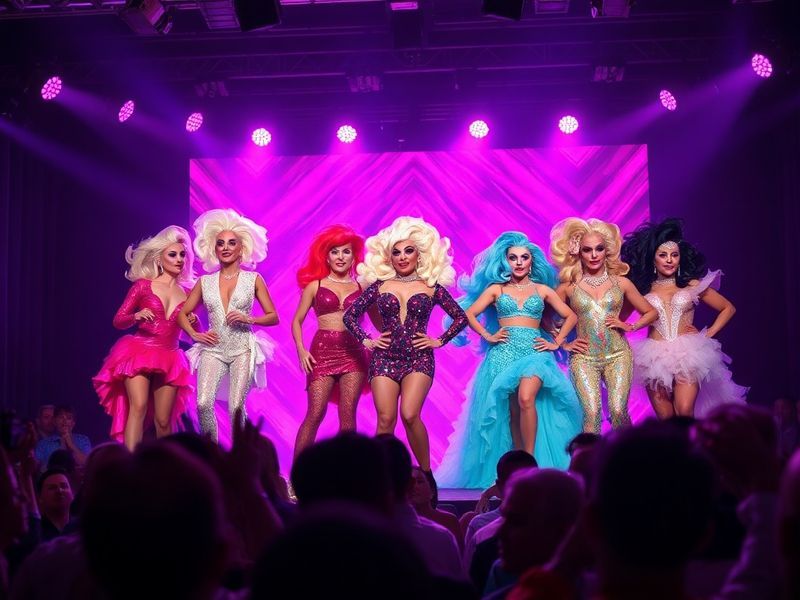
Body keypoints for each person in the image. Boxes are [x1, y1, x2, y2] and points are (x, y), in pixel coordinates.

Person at [436, 232, 582, 489]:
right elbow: (468, 314)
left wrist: (556, 342)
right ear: (505, 261)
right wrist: (487, 335)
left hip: (535, 353)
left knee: (526, 398)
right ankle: (519, 466)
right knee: (513, 409)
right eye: (513, 258)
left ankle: (531, 463)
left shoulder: (543, 290)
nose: (518, 262)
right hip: (503, 353)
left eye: (524, 258)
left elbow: (570, 315)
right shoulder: (496, 289)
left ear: (531, 261)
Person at [343, 216, 468, 478]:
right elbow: (349, 316)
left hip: (418, 358)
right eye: (396, 252)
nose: (402, 257)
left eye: (408, 250)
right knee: (386, 420)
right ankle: (380, 478)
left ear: (419, 255)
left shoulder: (431, 287)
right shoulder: (378, 286)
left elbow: (461, 317)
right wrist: (367, 339)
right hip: (384, 358)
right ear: (388, 257)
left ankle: (425, 476)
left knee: (410, 414)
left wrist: (438, 340)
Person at [620, 218, 747, 418]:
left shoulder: (692, 285)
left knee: (685, 412)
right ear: (653, 259)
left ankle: (691, 446)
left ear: (680, 259)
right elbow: (619, 321)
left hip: (687, 354)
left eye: (674, 255)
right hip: (652, 357)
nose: (669, 260)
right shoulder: (641, 290)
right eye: (663, 255)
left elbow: (727, 308)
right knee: (667, 420)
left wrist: (708, 333)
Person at [178, 209, 278, 442]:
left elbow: (274, 316)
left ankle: (239, 458)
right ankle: (212, 456)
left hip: (242, 347)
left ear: (241, 248)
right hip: (213, 349)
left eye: (231, 243)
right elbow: (183, 313)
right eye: (220, 243)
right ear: (214, 249)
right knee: (203, 403)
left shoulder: (253, 279)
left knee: (235, 408)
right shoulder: (205, 282)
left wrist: (249, 319)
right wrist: (195, 334)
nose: (225, 247)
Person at [92, 226, 196, 450]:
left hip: (170, 356)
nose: (179, 259)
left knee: (163, 421)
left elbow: (188, 330)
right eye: (172, 254)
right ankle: (130, 467)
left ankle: (167, 468)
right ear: (159, 258)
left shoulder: (188, 293)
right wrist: (136, 315)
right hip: (140, 351)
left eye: (182, 254)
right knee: (137, 408)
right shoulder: (143, 286)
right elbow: (118, 320)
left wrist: (194, 324)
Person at [549, 218, 657, 432]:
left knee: (618, 411)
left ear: (607, 251)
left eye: (599, 249)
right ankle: (589, 464)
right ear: (578, 252)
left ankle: (625, 460)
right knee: (591, 414)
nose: (594, 255)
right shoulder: (568, 288)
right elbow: (545, 319)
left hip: (618, 355)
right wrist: (563, 343)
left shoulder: (622, 283)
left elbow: (651, 312)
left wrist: (630, 326)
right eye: (587, 250)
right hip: (583, 359)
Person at [291, 225, 368, 459]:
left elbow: (378, 321)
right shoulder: (315, 285)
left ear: (354, 256)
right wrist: (302, 351)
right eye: (335, 252)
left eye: (346, 252)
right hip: (322, 352)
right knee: (315, 412)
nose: (340, 257)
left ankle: (347, 479)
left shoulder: (362, 287)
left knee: (348, 416)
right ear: (326, 255)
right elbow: (296, 321)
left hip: (353, 354)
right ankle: (298, 478)